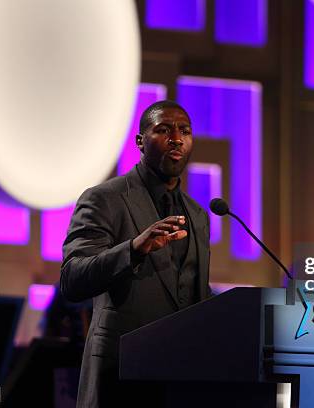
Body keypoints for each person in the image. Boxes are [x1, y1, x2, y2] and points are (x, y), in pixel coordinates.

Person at [60, 100, 211, 407]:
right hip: (120, 375)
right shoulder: (104, 199)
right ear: (140, 141)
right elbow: (72, 278)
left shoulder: (198, 215)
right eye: (164, 130)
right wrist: (132, 250)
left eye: (185, 131)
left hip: (180, 380)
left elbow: (194, 295)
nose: (176, 139)